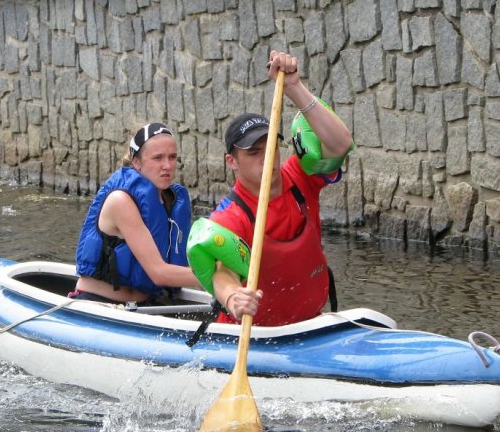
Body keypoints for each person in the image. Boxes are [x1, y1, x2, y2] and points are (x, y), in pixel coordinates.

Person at [201, 50, 353, 326]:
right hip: (254, 336)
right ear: (231, 161)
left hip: (309, 325)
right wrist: (234, 297)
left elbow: (340, 145)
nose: (267, 156)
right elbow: (222, 273)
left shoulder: (300, 177)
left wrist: (294, 86)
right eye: (254, 152)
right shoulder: (231, 217)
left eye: (271, 146)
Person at [74, 122, 200, 304]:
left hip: (146, 305)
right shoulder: (121, 201)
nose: (167, 165)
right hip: (100, 303)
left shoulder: (170, 200)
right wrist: (216, 277)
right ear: (137, 162)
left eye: (172, 157)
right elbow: (158, 273)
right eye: (158, 158)